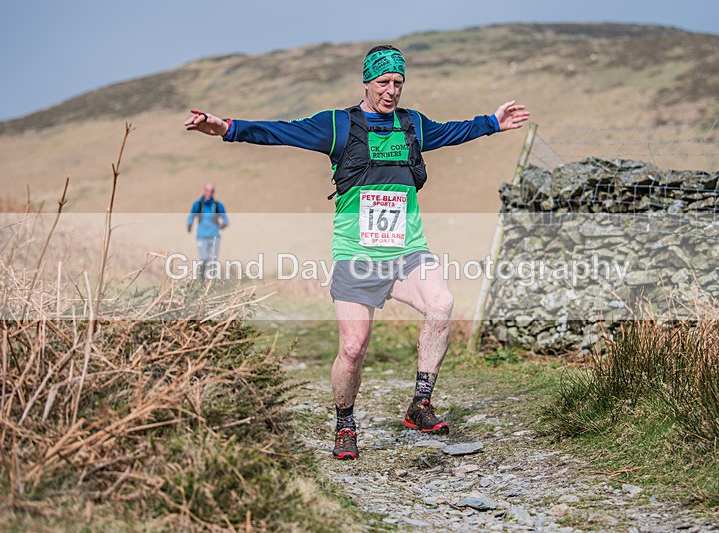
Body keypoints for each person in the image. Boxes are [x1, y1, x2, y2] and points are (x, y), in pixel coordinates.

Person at [184, 45, 529, 460]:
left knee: (442, 304)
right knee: (353, 347)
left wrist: (493, 122)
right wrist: (228, 128)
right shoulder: (337, 126)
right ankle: (345, 423)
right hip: (356, 254)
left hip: (407, 252)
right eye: (383, 82)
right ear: (366, 82)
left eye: (398, 83)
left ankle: (419, 405)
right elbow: (282, 131)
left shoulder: (412, 124)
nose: (391, 91)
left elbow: (454, 131)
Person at [187, 183, 229, 280]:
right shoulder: (198, 205)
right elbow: (191, 216)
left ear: (213, 192)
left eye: (211, 191)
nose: (209, 193)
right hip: (201, 237)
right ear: (204, 190)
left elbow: (226, 220)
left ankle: (211, 287)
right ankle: (200, 281)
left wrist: (223, 225)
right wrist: (189, 225)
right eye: (207, 190)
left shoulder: (218, 206)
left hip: (215, 237)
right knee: (204, 259)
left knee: (213, 262)